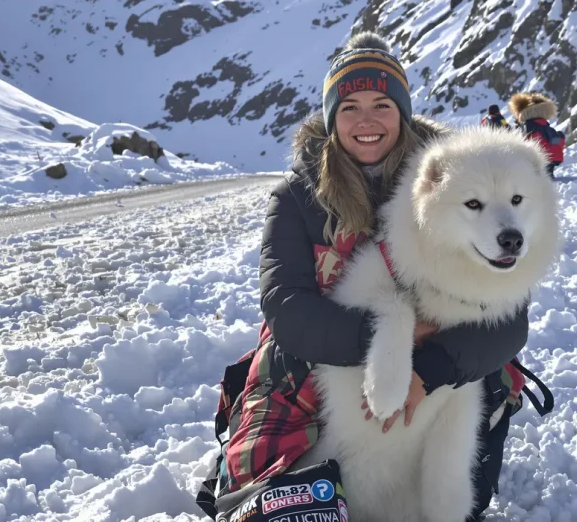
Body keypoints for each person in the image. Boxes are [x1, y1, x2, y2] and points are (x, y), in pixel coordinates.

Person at [195, 32, 534, 522]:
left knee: (451, 494)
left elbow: (508, 320)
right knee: (271, 498)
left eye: (382, 103)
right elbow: (287, 309)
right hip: (316, 360)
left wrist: (428, 369)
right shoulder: (297, 196)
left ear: (403, 110)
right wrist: (386, 348)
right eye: (350, 106)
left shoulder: (457, 179)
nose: (367, 120)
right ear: (332, 117)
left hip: (446, 362)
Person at [509, 92, 565, 179]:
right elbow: (554, 140)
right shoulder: (544, 125)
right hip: (551, 159)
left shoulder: (529, 127)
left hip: (538, 160)